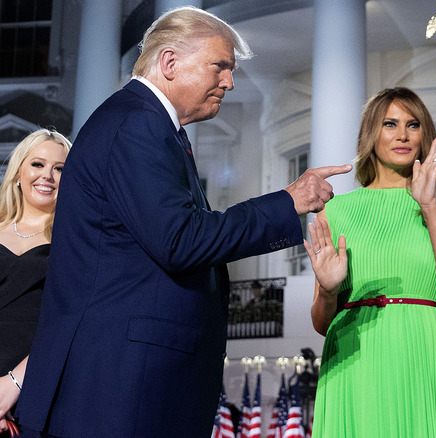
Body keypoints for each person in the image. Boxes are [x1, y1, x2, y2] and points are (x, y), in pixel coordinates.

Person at [15, 7, 350, 438]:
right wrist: (287, 202)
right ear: (170, 62)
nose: (229, 81)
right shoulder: (137, 124)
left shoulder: (148, 125)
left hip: (126, 382)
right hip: (121, 388)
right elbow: (181, 240)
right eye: (220, 66)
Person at [304, 87, 436, 437]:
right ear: (371, 133)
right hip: (356, 358)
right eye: (390, 124)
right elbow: (322, 323)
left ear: (424, 135)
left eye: (413, 125)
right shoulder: (335, 211)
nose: (402, 135)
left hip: (426, 355)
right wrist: (328, 289)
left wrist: (428, 206)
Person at [0, 129, 70, 436]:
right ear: (17, 172)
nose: (48, 176)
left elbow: (67, 323)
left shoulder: (74, 242)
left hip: (34, 395)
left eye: (60, 169)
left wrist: (12, 386)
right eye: (38, 164)